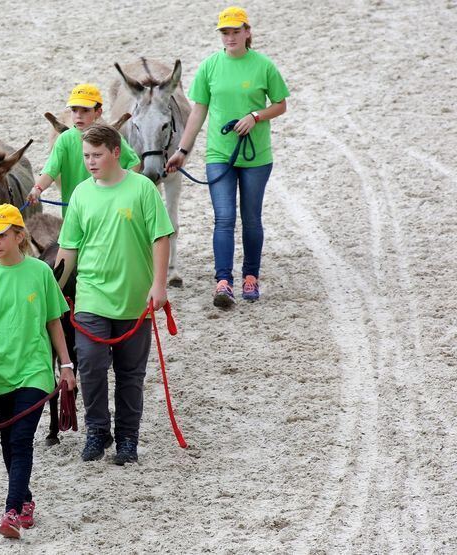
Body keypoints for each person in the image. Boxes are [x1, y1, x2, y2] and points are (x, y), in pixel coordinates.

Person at [56, 123, 174, 465]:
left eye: (97, 155)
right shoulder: (81, 194)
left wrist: (159, 285)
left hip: (136, 298)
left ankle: (127, 438)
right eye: (86, 156)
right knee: (90, 365)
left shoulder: (142, 189)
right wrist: (55, 290)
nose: (90, 162)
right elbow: (68, 248)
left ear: (116, 152)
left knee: (130, 375)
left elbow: (160, 237)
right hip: (91, 295)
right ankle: (97, 430)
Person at [0, 204, 76, 539]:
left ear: (19, 236)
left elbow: (54, 321)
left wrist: (66, 365)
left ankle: (11, 512)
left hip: (35, 372)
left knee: (22, 440)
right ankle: (25, 500)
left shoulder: (41, 273)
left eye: (1, 235)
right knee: (9, 442)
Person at [165, 6, 289, 308]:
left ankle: (250, 277)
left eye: (235, 31)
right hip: (219, 154)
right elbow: (199, 111)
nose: (230, 37)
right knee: (223, 217)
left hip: (256, 156)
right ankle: (223, 281)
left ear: (247, 32)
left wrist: (255, 116)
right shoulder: (210, 66)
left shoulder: (263, 66)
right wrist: (182, 150)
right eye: (225, 32)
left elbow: (280, 104)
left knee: (251, 218)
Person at [27, 83, 142, 211]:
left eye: (85, 110)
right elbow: (50, 171)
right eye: (74, 110)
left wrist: (124, 189)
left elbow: (133, 162)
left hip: (106, 208)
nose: (78, 115)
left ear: (98, 112)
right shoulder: (64, 140)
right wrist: (37, 189)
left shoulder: (111, 137)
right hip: (74, 209)